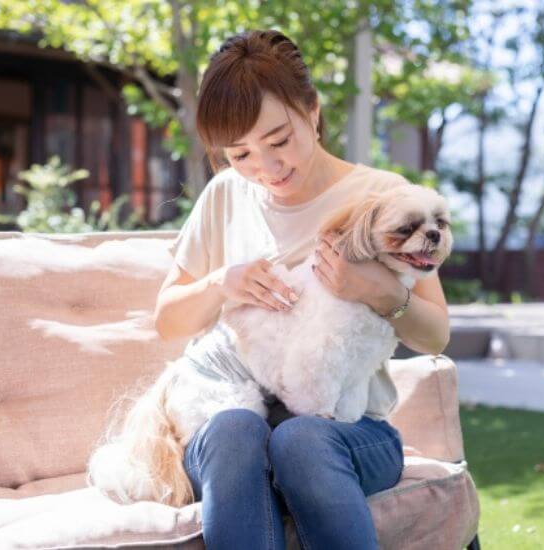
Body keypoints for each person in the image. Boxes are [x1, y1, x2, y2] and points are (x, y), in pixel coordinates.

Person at [153, 29, 450, 549]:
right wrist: (222, 283)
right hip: (235, 431)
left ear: (312, 111)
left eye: (279, 141)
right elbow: (167, 320)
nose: (266, 168)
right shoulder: (226, 195)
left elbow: (436, 336)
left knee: (300, 439)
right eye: (240, 154)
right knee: (236, 430)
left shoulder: (381, 196)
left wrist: (377, 290)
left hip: (349, 432)